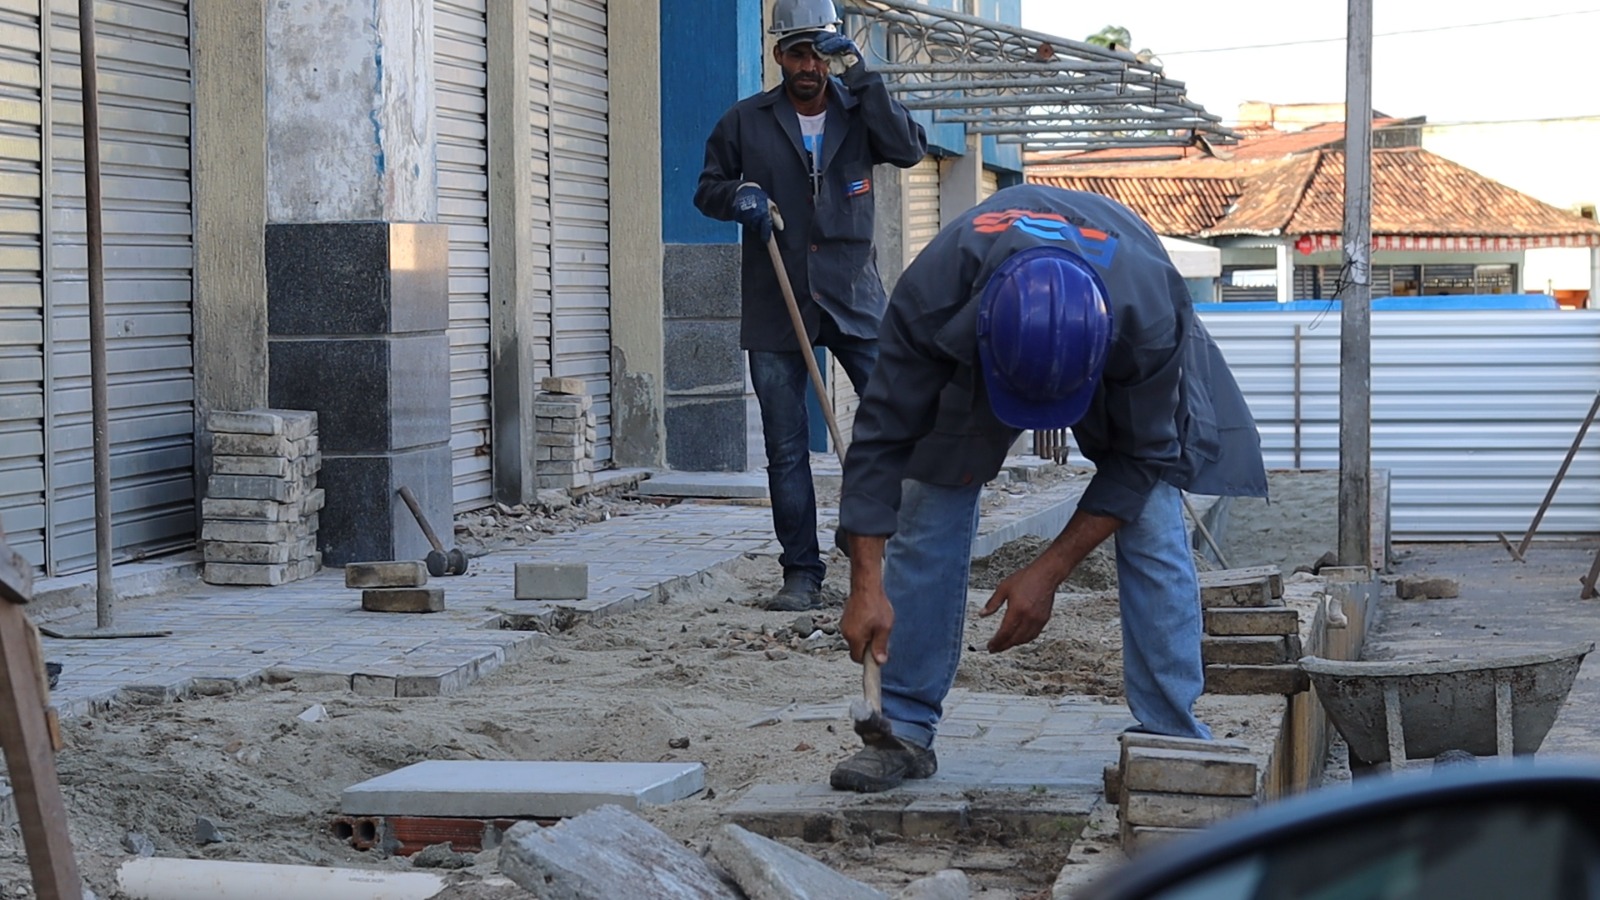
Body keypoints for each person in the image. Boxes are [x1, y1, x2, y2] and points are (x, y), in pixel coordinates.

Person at [830, 183, 1269, 793]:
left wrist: (1048, 571)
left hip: (1123, 322)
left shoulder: (1148, 316)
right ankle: (901, 722)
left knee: (1153, 509)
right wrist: (866, 585)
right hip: (975, 328)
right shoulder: (932, 299)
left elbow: (1141, 459)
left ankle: (1170, 735)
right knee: (930, 494)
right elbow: (880, 442)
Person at [694, 0, 927, 612]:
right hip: (778, 301)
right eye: (798, 52)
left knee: (889, 426)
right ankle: (801, 572)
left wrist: (862, 75)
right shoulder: (745, 121)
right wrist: (738, 193)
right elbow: (707, 187)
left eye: (820, 53)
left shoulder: (860, 113)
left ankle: (869, 539)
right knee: (786, 446)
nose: (809, 66)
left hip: (853, 297)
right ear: (778, 55)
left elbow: (908, 149)